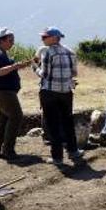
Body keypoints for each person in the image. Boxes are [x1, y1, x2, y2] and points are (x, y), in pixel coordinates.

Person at [32, 26, 83, 165]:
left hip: (49, 93)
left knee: (53, 125)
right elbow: (74, 73)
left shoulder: (48, 53)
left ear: (54, 38)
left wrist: (35, 68)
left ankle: (57, 158)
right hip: (66, 92)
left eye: (45, 37)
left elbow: (46, 75)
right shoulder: (69, 51)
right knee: (68, 122)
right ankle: (73, 151)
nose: (42, 39)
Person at [0, 28, 32, 161]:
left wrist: (22, 64)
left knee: (4, 119)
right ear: (1, 41)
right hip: (2, 92)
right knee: (16, 116)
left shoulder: (3, 54)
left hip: (2, 91)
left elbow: (10, 67)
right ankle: (8, 150)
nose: (12, 42)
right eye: (10, 40)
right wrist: (15, 66)